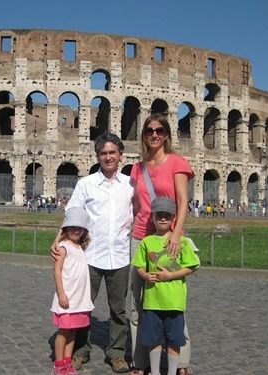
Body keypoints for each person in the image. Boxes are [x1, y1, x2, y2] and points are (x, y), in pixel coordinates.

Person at [51, 133, 134, 373]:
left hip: (119, 256)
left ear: (120, 155)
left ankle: (117, 354)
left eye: (112, 153)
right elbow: (72, 213)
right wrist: (57, 240)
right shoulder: (86, 184)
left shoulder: (130, 185)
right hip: (90, 256)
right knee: (82, 306)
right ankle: (79, 351)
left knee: (118, 310)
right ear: (98, 156)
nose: (108, 157)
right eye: (103, 153)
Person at [129, 113, 193, 375]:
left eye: (159, 130)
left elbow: (182, 201)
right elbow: (135, 205)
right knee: (138, 302)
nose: (154, 135)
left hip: (169, 239)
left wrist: (177, 233)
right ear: (144, 135)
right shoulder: (137, 167)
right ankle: (140, 361)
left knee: (172, 299)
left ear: (167, 134)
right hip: (140, 237)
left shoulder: (177, 162)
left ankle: (183, 362)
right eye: (149, 130)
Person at [131, 197, 200, 375]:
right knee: (153, 339)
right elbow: (139, 265)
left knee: (174, 340)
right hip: (152, 301)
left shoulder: (182, 241)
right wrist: (145, 275)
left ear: (173, 219)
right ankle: (154, 372)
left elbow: (191, 266)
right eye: (159, 215)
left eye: (167, 216)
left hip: (174, 301)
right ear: (152, 217)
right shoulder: (146, 242)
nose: (163, 219)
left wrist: (170, 275)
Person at [51, 207, 94, 375]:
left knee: (73, 331)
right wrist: (61, 293)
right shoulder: (63, 247)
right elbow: (57, 271)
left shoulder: (81, 247)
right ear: (66, 228)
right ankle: (59, 363)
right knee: (64, 331)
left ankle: (68, 362)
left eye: (80, 227)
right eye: (73, 227)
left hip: (79, 298)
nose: (76, 230)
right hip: (67, 297)